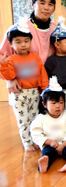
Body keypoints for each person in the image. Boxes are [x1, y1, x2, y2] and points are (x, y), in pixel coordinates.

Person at [0, 21, 48, 151]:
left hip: (34, 93)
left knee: (34, 119)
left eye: (26, 41)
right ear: (11, 44)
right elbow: (9, 75)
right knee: (23, 120)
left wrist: (45, 90)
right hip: (19, 95)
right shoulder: (11, 59)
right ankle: (27, 142)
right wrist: (3, 65)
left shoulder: (36, 58)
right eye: (18, 42)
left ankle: (35, 139)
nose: (23, 45)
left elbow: (42, 75)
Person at [0, 0, 56, 94]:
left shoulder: (56, 29)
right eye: (42, 3)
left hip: (51, 84)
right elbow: (2, 57)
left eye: (50, 4)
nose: (46, 7)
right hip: (24, 87)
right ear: (32, 4)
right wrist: (10, 80)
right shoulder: (19, 28)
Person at [30, 77, 66, 173]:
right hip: (50, 145)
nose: (58, 106)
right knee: (47, 152)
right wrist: (48, 141)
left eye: (61, 103)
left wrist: (64, 143)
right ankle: (45, 162)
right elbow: (35, 133)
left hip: (65, 143)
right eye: (54, 103)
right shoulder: (41, 118)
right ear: (44, 104)